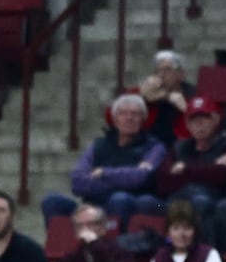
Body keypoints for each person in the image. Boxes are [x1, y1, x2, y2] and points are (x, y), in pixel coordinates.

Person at [41, 94, 166, 229]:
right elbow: (77, 182)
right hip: (94, 206)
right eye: (123, 113)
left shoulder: (154, 147)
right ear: (115, 119)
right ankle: (61, 248)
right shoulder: (98, 145)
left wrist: (103, 173)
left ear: (143, 119)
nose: (129, 118)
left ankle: (112, 248)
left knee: (120, 198)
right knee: (51, 201)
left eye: (135, 114)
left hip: (131, 205)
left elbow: (141, 178)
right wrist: (124, 177)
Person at [156, 96, 226, 246]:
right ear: (187, 124)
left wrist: (185, 169)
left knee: (221, 205)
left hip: (217, 197)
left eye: (205, 119)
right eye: (194, 120)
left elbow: (225, 176)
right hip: (179, 198)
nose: (199, 125)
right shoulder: (178, 147)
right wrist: (209, 169)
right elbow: (162, 181)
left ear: (216, 121)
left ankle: (213, 255)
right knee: (147, 203)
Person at [137, 50, 196, 146]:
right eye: (158, 71)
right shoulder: (149, 93)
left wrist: (186, 108)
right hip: (149, 146)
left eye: (167, 70)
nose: (162, 75)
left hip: (181, 146)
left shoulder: (192, 94)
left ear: (181, 74)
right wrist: (141, 97)